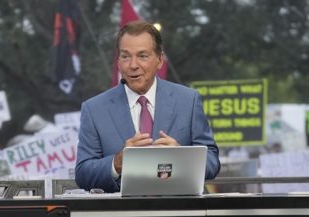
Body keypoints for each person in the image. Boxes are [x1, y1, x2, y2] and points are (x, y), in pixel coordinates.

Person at [75, 20, 220, 193]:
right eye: (126, 56)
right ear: (118, 62)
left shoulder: (188, 101)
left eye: (142, 56)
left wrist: (182, 158)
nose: (133, 65)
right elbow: (83, 174)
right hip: (122, 209)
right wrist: (117, 162)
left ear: (160, 60)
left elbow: (213, 162)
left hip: (180, 207)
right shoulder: (94, 109)